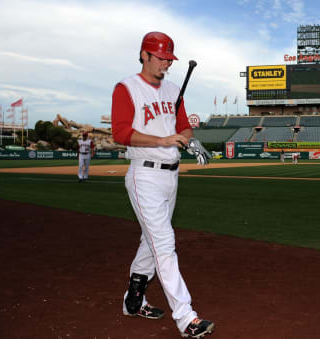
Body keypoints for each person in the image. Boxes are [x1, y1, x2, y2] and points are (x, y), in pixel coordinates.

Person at [111, 31, 214, 338]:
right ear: (145, 55)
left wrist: (190, 141)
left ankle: (134, 300)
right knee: (164, 243)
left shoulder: (172, 89)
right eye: (162, 58)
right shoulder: (126, 88)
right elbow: (120, 132)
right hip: (144, 175)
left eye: (170, 59)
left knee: (151, 240)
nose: (167, 65)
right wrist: (162, 139)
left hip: (171, 175)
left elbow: (182, 126)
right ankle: (186, 318)